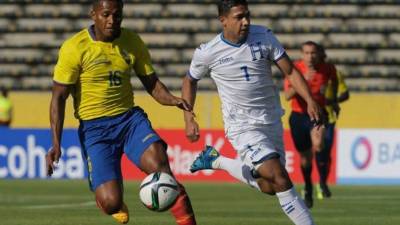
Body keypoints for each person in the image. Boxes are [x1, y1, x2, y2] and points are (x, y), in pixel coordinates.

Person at [45, 1, 196, 224]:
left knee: (162, 169)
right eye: (106, 15)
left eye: (117, 15)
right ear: (93, 14)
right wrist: (56, 144)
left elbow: (152, 83)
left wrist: (173, 100)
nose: (112, 21)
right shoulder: (74, 47)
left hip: (129, 121)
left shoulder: (132, 41)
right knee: (110, 203)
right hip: (95, 130)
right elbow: (58, 98)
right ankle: (112, 201)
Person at [182, 1, 321, 224]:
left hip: (271, 119)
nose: (245, 21)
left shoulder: (264, 36)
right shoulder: (208, 52)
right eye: (239, 17)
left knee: (270, 186)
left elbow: (290, 71)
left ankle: (217, 161)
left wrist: (310, 100)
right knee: (279, 176)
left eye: (247, 16)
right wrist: (189, 117)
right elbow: (189, 81)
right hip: (242, 125)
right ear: (223, 20)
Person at [283, 41, 338, 208]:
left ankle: (322, 181)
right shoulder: (294, 69)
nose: (310, 56)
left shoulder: (327, 68)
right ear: (302, 54)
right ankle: (307, 186)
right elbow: (287, 95)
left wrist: (333, 100)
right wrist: (303, 81)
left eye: (313, 53)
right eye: (306, 53)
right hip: (299, 117)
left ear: (318, 54)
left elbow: (334, 83)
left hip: (318, 113)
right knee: (305, 157)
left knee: (319, 144)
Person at [316, 45, 350, 200]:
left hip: (329, 118)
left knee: (326, 153)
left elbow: (345, 94)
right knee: (318, 149)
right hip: (314, 117)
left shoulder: (334, 73)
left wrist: (333, 101)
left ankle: (322, 182)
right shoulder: (311, 74)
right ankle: (316, 184)